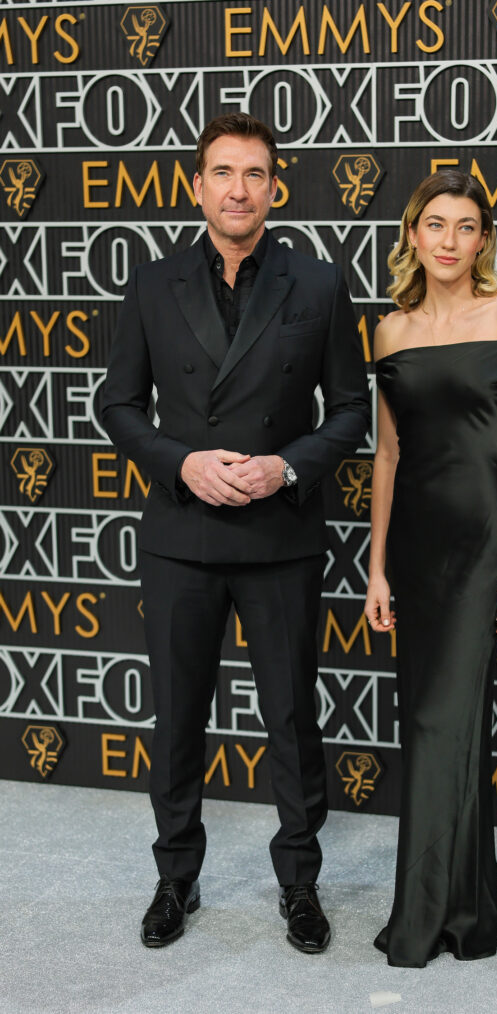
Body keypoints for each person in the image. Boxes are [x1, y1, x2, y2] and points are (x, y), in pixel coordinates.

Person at [102, 113, 370, 952]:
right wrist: (181, 463)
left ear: (275, 188)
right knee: (177, 718)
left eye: (254, 174)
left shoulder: (320, 284)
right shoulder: (152, 284)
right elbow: (117, 404)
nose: (238, 189)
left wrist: (285, 466)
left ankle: (299, 885)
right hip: (181, 536)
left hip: (279, 538)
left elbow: (352, 409)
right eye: (223, 172)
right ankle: (176, 877)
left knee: (291, 721)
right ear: (197, 186)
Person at [364, 169, 497, 967]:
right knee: (433, 722)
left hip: (483, 542)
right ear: (412, 235)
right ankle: (472, 888)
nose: (448, 240)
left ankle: (439, 915)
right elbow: (388, 453)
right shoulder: (389, 332)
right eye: (434, 224)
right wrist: (375, 566)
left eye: (465, 226)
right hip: (413, 545)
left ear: (484, 239)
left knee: (449, 720)